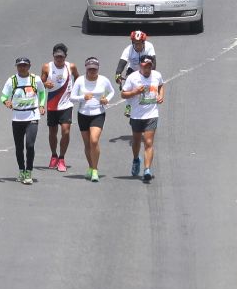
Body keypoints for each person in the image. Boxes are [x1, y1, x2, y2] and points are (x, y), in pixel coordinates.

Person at [0, 57, 47, 184]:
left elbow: (42, 93)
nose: (22, 68)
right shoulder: (12, 80)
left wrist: (42, 106)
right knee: (19, 147)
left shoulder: (35, 79)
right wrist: (6, 102)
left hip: (32, 116)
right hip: (17, 118)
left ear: (29, 66)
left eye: (25, 65)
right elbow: (3, 96)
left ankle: (29, 172)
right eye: (20, 65)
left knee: (30, 145)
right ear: (16, 66)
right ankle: (21, 170)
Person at [69, 56, 115, 182]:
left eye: (94, 69)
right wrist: (83, 98)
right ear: (86, 69)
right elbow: (72, 97)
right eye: (90, 69)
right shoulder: (80, 81)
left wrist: (106, 100)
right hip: (83, 114)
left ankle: (95, 170)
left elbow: (111, 92)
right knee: (87, 144)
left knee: (94, 141)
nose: (92, 72)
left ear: (98, 69)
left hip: (98, 113)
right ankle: (90, 167)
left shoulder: (103, 80)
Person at [121, 55, 165, 183]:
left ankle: (147, 170)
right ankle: (136, 159)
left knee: (149, 142)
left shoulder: (157, 75)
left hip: (151, 114)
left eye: (150, 66)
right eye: (145, 66)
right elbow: (123, 94)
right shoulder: (133, 78)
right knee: (136, 141)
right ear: (140, 65)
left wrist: (161, 96)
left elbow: (161, 85)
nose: (147, 69)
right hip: (136, 115)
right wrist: (135, 92)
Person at [42, 43, 79, 172]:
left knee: (66, 131)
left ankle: (62, 158)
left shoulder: (71, 67)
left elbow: (78, 79)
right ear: (53, 56)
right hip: (52, 105)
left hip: (67, 104)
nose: (59, 60)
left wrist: (76, 91)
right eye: (57, 57)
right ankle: (54, 155)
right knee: (53, 132)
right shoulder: (47, 67)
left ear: (65, 57)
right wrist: (46, 83)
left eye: (61, 57)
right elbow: (41, 82)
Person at [116, 30, 157, 117]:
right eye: (135, 43)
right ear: (132, 43)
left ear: (143, 42)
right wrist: (118, 74)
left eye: (139, 44)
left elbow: (153, 63)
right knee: (127, 89)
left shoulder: (149, 46)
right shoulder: (128, 49)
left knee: (146, 86)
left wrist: (150, 73)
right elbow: (122, 63)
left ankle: (148, 102)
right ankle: (128, 107)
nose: (137, 46)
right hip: (133, 69)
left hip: (146, 69)